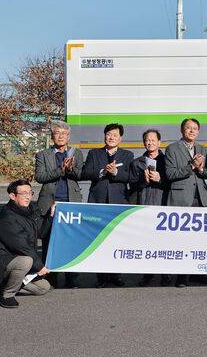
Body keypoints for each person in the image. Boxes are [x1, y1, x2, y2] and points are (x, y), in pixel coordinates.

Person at [0, 180, 53, 308]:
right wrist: (39, 267)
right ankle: (6, 295)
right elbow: (22, 247)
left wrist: (50, 216)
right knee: (26, 261)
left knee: (43, 288)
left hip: (15, 259)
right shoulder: (7, 219)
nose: (28, 196)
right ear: (12, 196)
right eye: (24, 193)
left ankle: (3, 287)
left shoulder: (30, 210)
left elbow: (41, 233)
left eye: (30, 193)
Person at [82, 123, 134, 288]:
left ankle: (116, 274)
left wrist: (116, 172)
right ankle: (101, 276)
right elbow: (85, 172)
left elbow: (130, 177)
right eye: (109, 134)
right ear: (104, 136)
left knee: (117, 240)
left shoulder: (127, 155)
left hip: (118, 201)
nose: (111, 137)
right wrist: (103, 172)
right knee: (99, 239)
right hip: (98, 200)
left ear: (120, 138)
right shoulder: (94, 153)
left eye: (115, 135)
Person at [34, 121, 83, 288]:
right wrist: (60, 170)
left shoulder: (76, 153)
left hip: (71, 203)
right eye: (57, 133)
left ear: (69, 137)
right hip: (50, 204)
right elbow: (40, 177)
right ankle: (50, 278)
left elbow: (80, 174)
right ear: (52, 136)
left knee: (71, 242)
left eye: (64, 133)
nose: (61, 136)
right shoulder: (42, 155)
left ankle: (71, 278)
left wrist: (70, 169)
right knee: (49, 242)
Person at [165, 118, 207, 287]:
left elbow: (206, 173)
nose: (192, 131)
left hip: (199, 198)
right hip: (181, 199)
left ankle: (196, 272)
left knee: (198, 239)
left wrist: (200, 169)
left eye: (195, 128)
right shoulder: (172, 148)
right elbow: (170, 174)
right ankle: (181, 276)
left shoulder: (202, 148)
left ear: (198, 131)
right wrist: (191, 166)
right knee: (181, 240)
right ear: (182, 130)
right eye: (188, 128)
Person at [130, 129, 171, 287]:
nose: (150, 142)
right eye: (147, 140)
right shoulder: (137, 162)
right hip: (144, 204)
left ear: (159, 142)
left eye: (153, 140)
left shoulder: (167, 161)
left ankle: (165, 274)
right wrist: (144, 180)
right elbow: (132, 185)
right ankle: (147, 274)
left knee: (164, 242)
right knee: (146, 241)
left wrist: (160, 179)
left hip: (163, 205)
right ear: (143, 142)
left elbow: (173, 183)